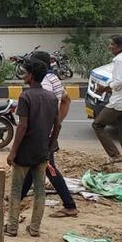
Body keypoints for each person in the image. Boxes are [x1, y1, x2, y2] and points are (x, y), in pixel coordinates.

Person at [20, 51, 77, 218]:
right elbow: (66, 100)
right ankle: (19, 196)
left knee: (48, 167)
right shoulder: (54, 79)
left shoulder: (44, 84)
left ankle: (70, 205)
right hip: (48, 131)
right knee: (35, 166)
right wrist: (57, 123)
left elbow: (39, 110)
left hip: (41, 134)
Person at [5, 59, 58, 237]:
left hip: (25, 151)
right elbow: (57, 125)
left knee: (16, 190)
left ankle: (12, 228)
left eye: (25, 72)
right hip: (42, 151)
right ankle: (35, 228)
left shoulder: (25, 96)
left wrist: (13, 151)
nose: (23, 75)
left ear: (31, 76)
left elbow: (22, 126)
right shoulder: (51, 97)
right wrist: (50, 146)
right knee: (40, 190)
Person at [93, 34, 122, 164]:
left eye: (112, 44)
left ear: (119, 47)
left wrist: (104, 88)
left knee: (97, 125)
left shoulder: (119, 60)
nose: (110, 47)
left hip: (119, 102)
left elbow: (119, 81)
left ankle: (114, 155)